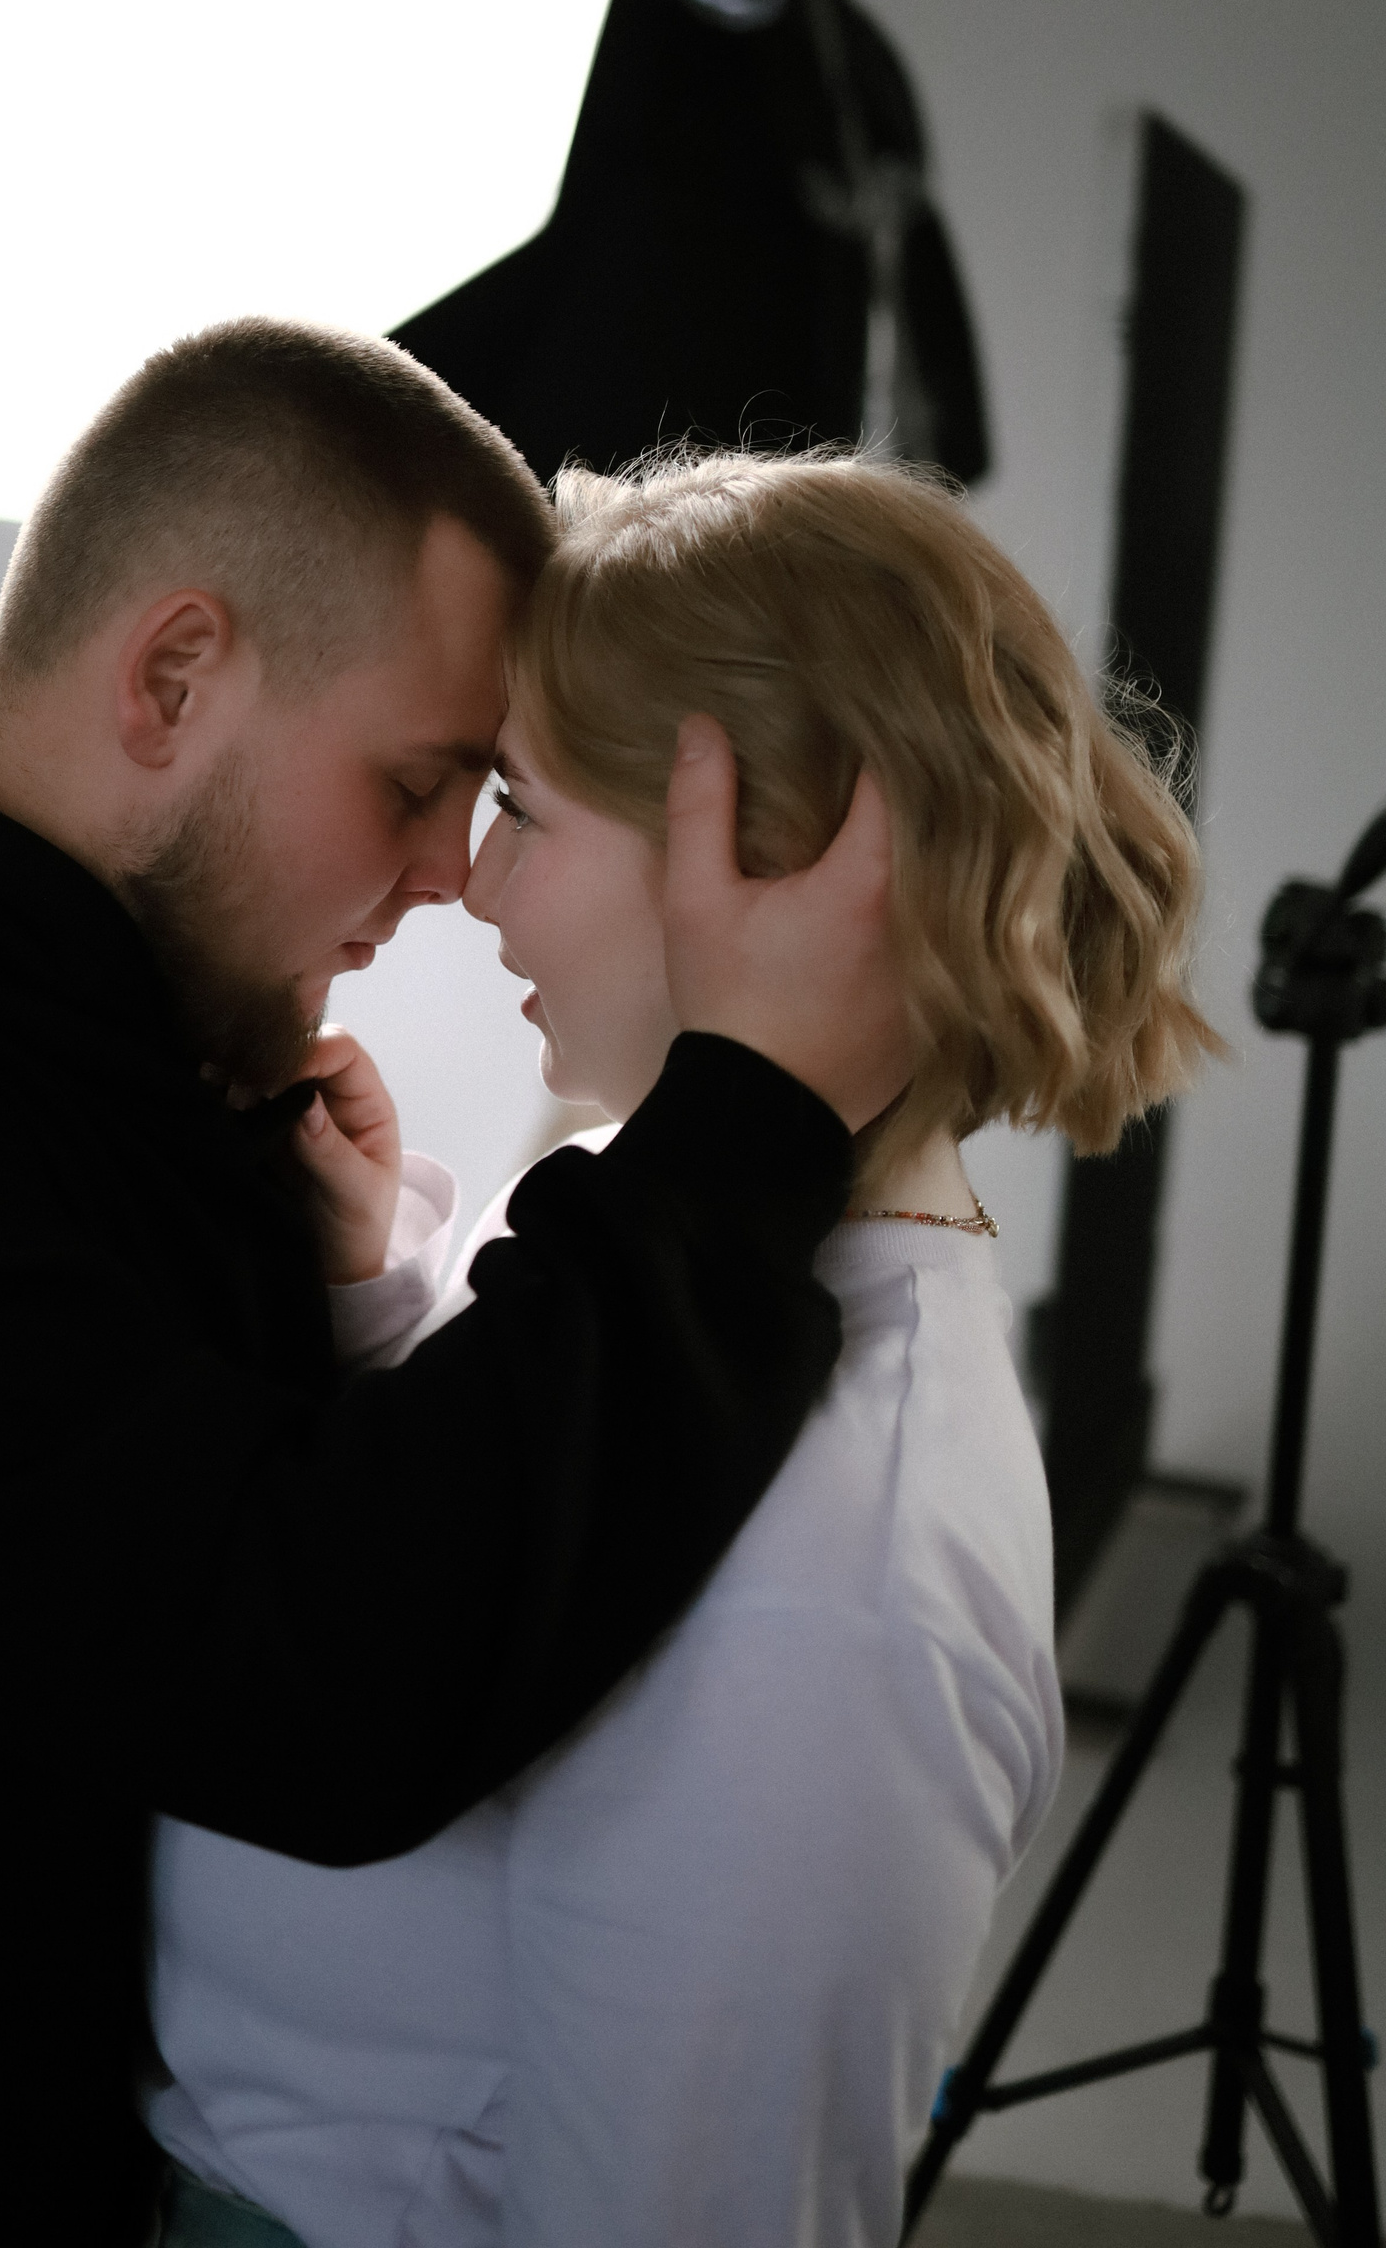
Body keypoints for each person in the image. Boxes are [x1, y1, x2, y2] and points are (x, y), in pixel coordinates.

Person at [0, 328, 912, 2243]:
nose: (453, 876)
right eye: (419, 782)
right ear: (172, 677)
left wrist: (314, 1283)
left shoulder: (19, 1010)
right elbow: (318, 1675)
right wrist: (744, 1127)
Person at [144, 449, 1226, 2248]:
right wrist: (372, 1302)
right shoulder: (628, 1202)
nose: (468, 884)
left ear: (777, 868)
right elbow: (475, 1561)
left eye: (523, 807)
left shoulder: (841, 1592)